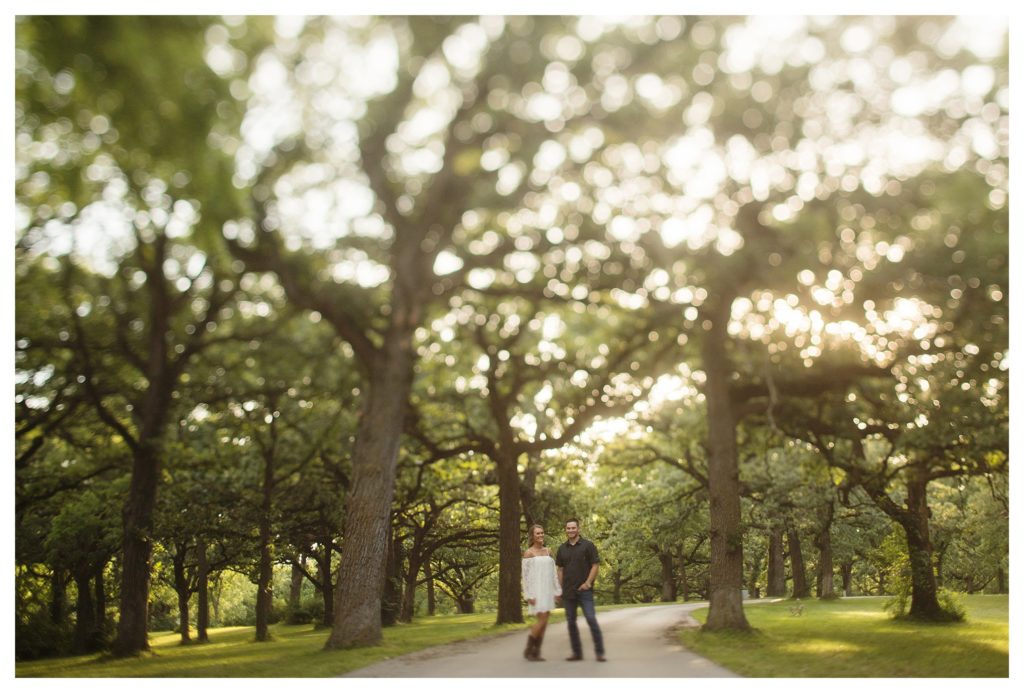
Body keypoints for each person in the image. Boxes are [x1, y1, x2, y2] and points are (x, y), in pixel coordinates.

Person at [555, 517, 606, 662]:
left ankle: (600, 652)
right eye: (568, 528)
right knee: (571, 622)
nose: (570, 530)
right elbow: (560, 570)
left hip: (585, 590)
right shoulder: (562, 548)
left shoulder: (588, 545)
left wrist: (588, 583)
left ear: (578, 529)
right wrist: (559, 588)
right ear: (566, 530)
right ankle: (576, 653)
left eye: (573, 528)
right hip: (568, 591)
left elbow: (595, 565)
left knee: (591, 619)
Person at [521, 524, 561, 661]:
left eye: (542, 533)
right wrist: (528, 595)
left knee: (545, 621)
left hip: (548, 590)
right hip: (536, 591)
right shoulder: (528, 553)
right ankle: (529, 649)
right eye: (537, 533)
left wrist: (557, 590)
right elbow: (525, 577)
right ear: (532, 536)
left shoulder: (549, 551)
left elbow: (554, 573)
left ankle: (536, 652)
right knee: (542, 620)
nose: (541, 535)